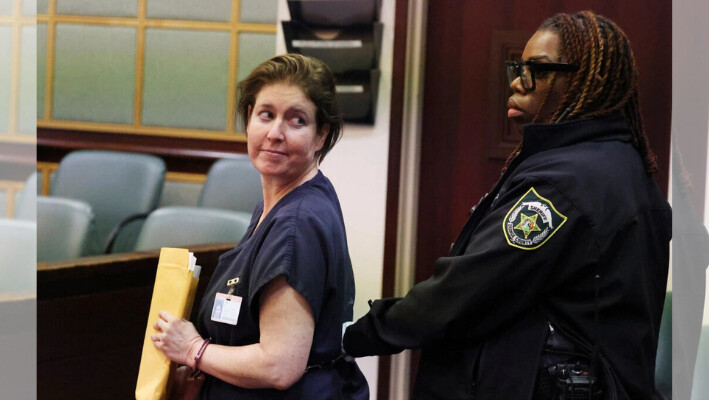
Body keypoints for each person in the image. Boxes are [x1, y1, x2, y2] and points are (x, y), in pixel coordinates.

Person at [343, 10, 670, 400]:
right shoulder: (622, 164)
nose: (518, 82)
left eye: (539, 70)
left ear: (588, 80)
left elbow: (467, 290)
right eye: (519, 67)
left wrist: (353, 335)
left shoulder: (565, 183)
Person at [151, 54, 369, 400]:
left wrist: (194, 349)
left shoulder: (296, 224)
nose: (275, 133)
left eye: (297, 121)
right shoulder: (277, 206)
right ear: (249, 119)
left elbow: (279, 365)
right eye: (266, 115)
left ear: (320, 137)